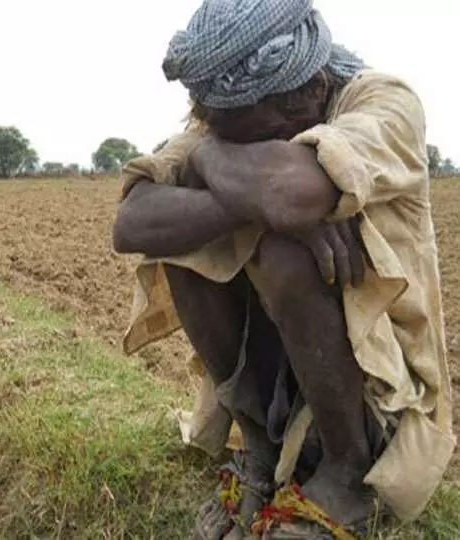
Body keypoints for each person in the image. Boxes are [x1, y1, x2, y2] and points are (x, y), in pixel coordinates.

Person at [111, 1, 456, 538]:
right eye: (225, 141)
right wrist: (218, 169)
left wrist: (228, 175)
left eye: (255, 139)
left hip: (377, 389)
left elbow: (292, 193)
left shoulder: (383, 103)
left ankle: (346, 473)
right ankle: (260, 451)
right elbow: (132, 222)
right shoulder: (221, 132)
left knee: (284, 252)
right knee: (179, 245)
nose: (238, 150)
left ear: (307, 94)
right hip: (281, 369)